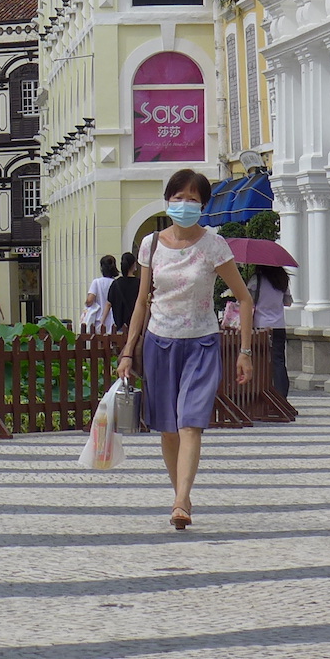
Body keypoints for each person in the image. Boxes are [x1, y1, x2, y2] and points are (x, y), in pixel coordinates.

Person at [116, 170, 255, 532]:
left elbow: (244, 297)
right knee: (168, 429)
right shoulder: (150, 245)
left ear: (203, 205)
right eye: (177, 198)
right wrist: (128, 351)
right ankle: (181, 491)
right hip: (159, 342)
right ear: (168, 200)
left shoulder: (214, 245)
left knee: (191, 422)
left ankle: (180, 501)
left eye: (192, 199)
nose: (184, 205)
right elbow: (143, 302)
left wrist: (245, 350)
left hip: (202, 342)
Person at [251, 264, 292, 395]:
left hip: (260, 324)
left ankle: (262, 392)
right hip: (279, 325)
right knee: (278, 361)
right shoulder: (282, 280)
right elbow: (288, 302)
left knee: (259, 360)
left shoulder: (256, 280)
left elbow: (247, 300)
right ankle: (281, 395)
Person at [107, 252, 141, 335]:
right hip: (136, 328)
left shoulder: (116, 284)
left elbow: (108, 304)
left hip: (119, 328)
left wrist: (102, 321)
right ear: (134, 265)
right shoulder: (139, 283)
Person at [83, 254, 118, 333]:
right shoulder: (116, 283)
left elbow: (90, 300)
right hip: (113, 321)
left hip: (98, 320)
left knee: (98, 343)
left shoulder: (97, 282)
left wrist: (86, 304)